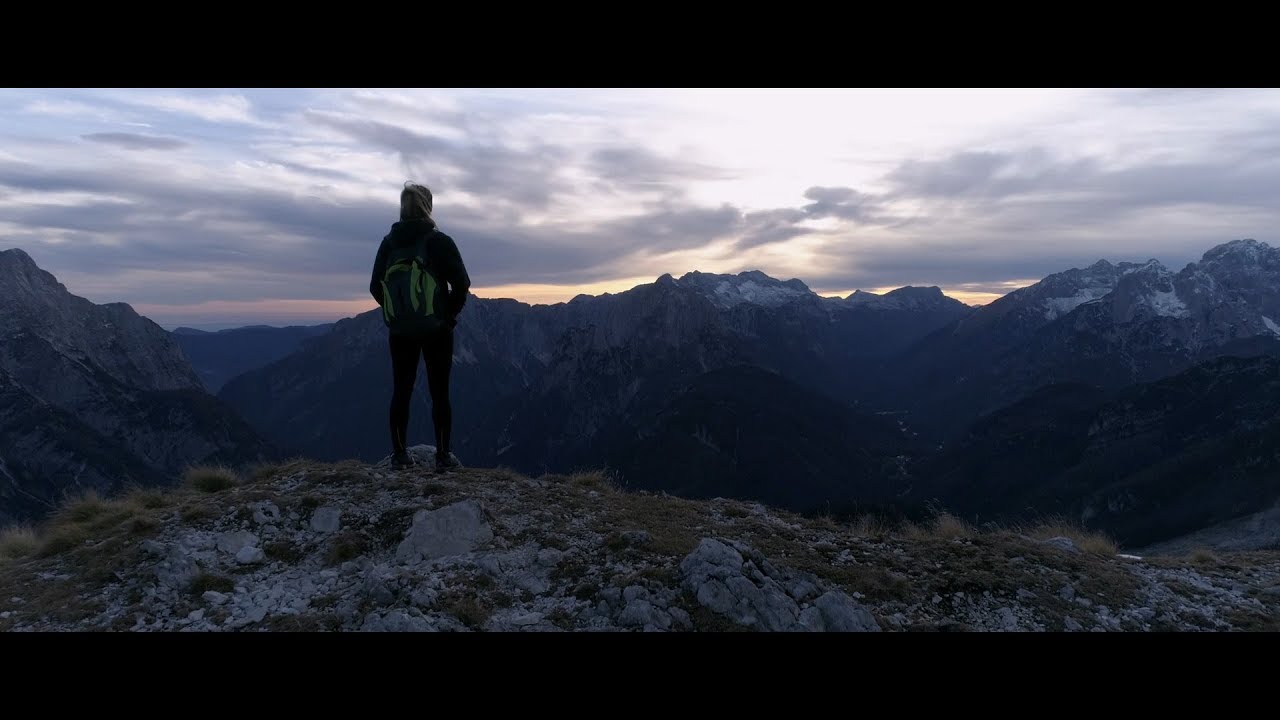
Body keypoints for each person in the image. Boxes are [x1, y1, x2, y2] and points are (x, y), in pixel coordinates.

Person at [369, 182, 471, 471]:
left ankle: (400, 455)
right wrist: (447, 316)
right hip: (437, 329)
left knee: (401, 389)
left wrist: (398, 313)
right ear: (429, 206)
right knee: (440, 392)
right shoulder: (439, 241)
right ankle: (443, 456)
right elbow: (462, 284)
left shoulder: (389, 243)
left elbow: (376, 286)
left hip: (400, 332)